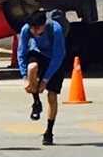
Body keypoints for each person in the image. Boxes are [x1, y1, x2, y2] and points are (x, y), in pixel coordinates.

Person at [17, 9, 68, 146]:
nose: (34, 31)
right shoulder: (26, 30)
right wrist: (24, 77)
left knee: (52, 96)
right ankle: (36, 102)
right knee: (31, 68)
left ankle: (49, 131)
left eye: (37, 28)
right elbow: (21, 53)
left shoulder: (56, 30)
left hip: (55, 60)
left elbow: (58, 56)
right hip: (38, 53)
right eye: (32, 28)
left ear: (44, 25)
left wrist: (45, 79)